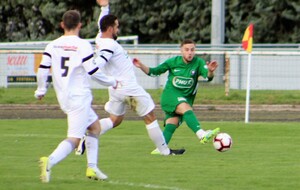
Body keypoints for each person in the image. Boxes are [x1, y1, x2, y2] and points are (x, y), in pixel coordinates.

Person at [76, 0, 184, 156]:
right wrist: (92, 66)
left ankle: (87, 135)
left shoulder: (100, 38)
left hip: (115, 89)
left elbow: (102, 23)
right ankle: (165, 151)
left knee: (115, 119)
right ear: (110, 28)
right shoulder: (109, 45)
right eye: (117, 26)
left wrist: (105, 7)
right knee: (150, 116)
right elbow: (99, 62)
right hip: (128, 88)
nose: (118, 29)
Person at [35, 9, 118, 183]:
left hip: (64, 96)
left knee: (95, 127)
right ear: (80, 25)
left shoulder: (52, 45)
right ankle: (49, 161)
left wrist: (41, 90)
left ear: (62, 25)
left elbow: (43, 69)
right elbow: (92, 70)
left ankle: (92, 168)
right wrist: (111, 82)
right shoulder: (82, 45)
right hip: (79, 97)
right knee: (74, 138)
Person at [132, 39, 220, 155]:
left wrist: (210, 71)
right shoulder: (173, 62)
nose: (189, 52)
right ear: (181, 50)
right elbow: (154, 71)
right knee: (186, 109)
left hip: (185, 99)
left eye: (192, 50)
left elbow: (208, 77)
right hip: (170, 96)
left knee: (171, 124)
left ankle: (161, 149)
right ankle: (201, 134)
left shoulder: (198, 63)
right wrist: (141, 65)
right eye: (187, 50)